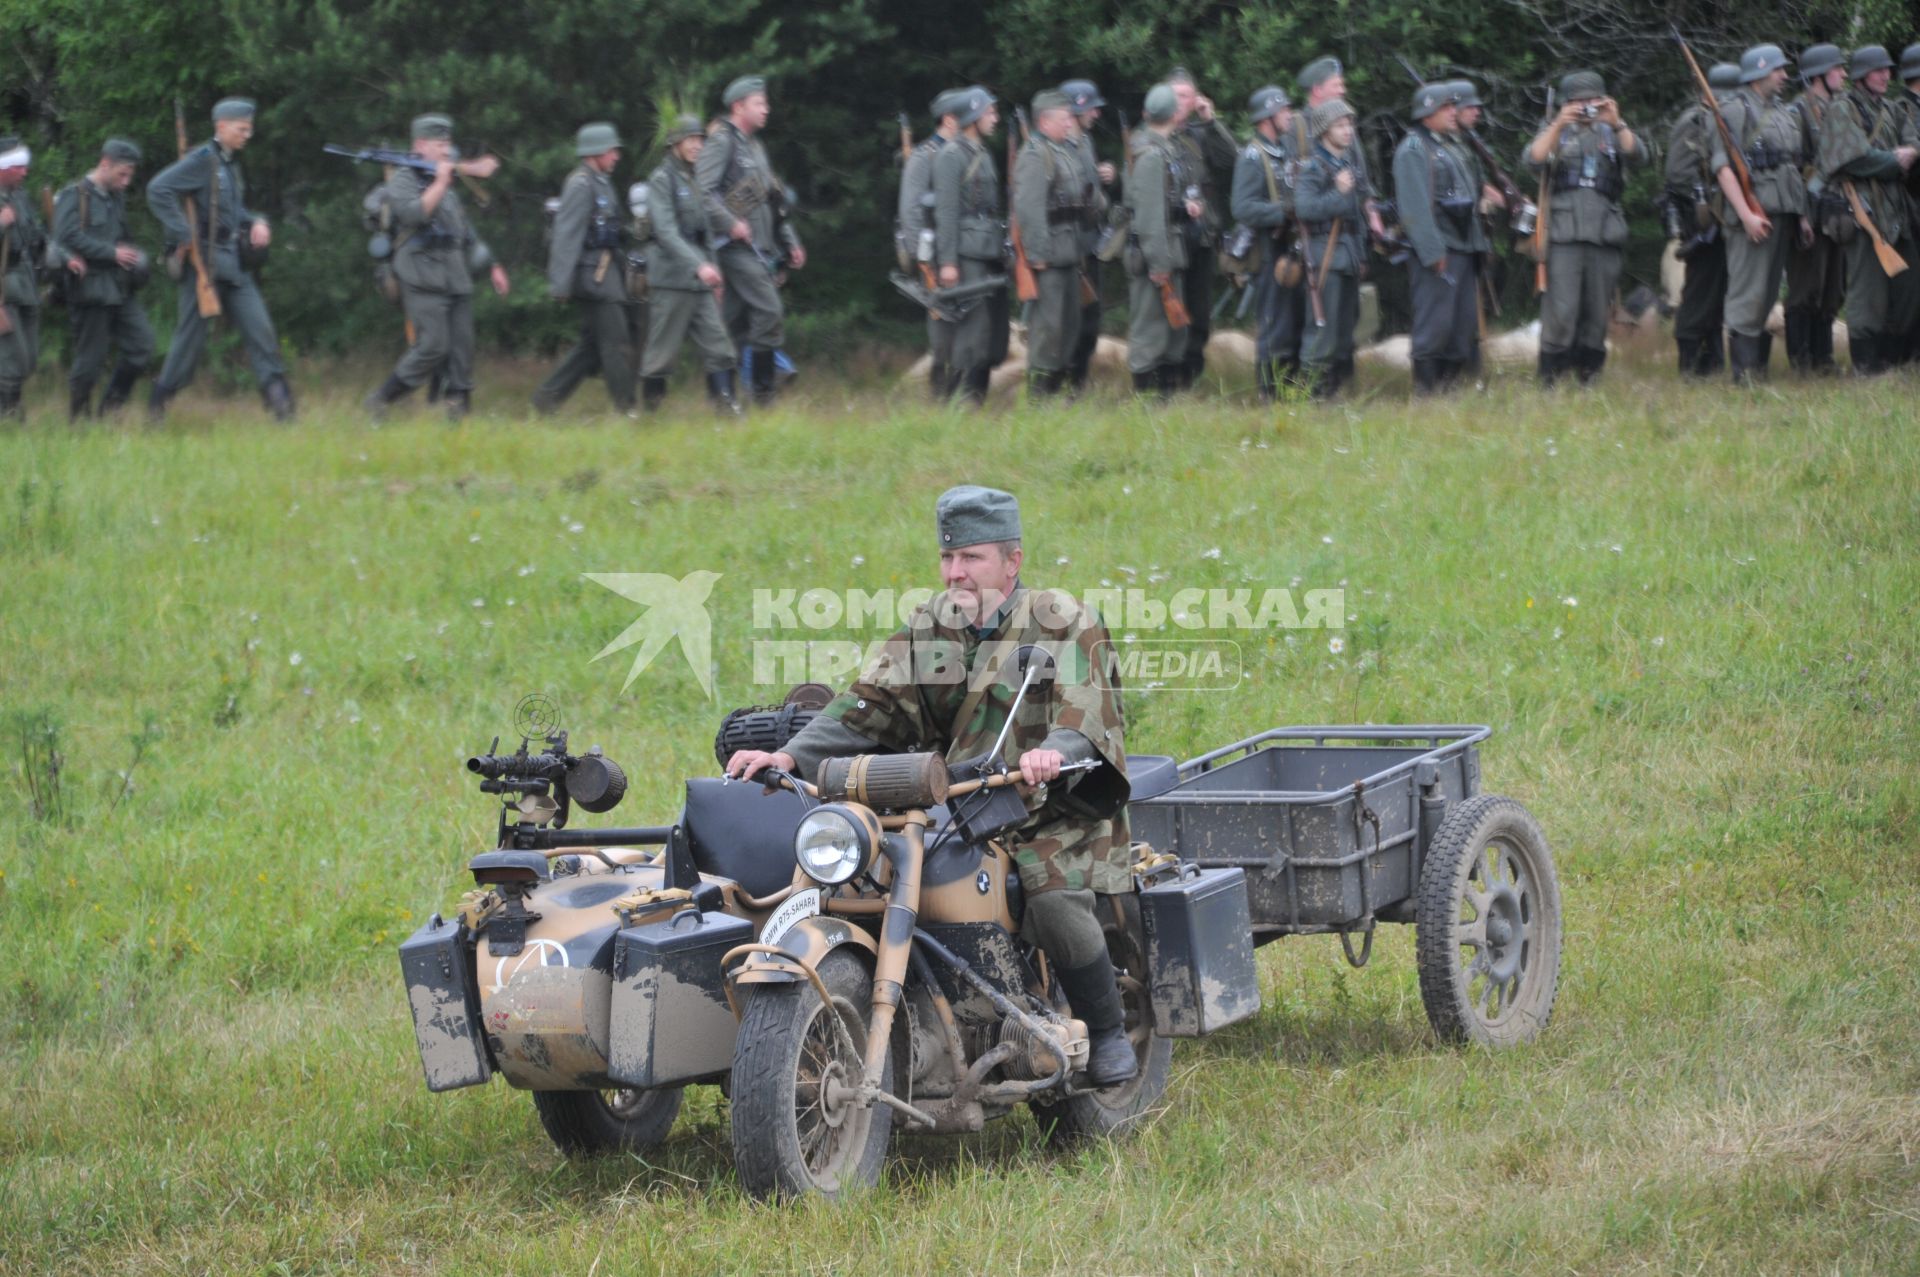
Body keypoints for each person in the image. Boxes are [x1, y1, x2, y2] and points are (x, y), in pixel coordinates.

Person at [725, 484, 1141, 1088]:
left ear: (1012, 562)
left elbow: (1088, 714)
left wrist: (1055, 752)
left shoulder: (1064, 621)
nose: (956, 573)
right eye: (948, 559)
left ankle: (1104, 1033)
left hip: (1055, 807)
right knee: (864, 875)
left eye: (971, 558)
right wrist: (789, 755)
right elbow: (867, 704)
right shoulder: (931, 626)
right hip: (962, 802)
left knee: (1052, 899)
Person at [145, 98, 292, 422]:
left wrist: (257, 221)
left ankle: (281, 405)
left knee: (262, 331)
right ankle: (158, 403)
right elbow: (158, 189)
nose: (247, 135)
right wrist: (183, 232)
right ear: (221, 126)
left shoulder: (228, 165)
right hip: (203, 267)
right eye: (242, 129)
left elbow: (235, 212)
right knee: (189, 343)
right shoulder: (202, 159)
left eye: (249, 129)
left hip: (235, 266)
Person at [362, 115, 507, 420]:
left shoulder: (444, 179)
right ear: (420, 145)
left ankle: (459, 418)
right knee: (432, 346)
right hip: (420, 273)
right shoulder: (404, 179)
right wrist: (441, 182)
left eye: (447, 143)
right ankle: (381, 400)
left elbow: (462, 228)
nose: (445, 149)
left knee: (462, 349)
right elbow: (413, 214)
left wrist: (492, 265)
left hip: (454, 274)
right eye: (439, 144)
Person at [1525, 71, 1645, 385]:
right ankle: (1551, 378)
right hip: (1564, 232)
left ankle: (1589, 376)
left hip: (1604, 231)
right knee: (1561, 310)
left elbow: (1638, 156)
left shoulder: (1613, 131)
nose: (1586, 106)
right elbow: (1533, 160)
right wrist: (1559, 123)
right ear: (1566, 103)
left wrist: (1616, 121)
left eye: (1593, 99)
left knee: (1597, 310)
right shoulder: (1556, 132)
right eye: (1579, 101)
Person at [697, 76, 805, 407]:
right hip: (732, 247)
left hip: (760, 246)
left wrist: (789, 241)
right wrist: (730, 224)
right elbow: (702, 192)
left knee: (731, 324)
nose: (766, 110)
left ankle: (722, 398)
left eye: (765, 103)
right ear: (738, 106)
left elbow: (772, 200)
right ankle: (763, 394)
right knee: (769, 310)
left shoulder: (755, 147)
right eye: (759, 103)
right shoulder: (722, 143)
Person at [1815, 45, 1920, 375]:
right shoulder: (1842, 109)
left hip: (1897, 212)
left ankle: (1893, 362)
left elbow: (1915, 144)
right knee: (1867, 293)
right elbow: (1854, 158)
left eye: (1888, 70)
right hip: (1862, 213)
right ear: (1861, 75)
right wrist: (1895, 160)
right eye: (1878, 71)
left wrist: (1910, 154)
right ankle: (1866, 367)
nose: (1885, 76)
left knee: (1909, 288)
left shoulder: (1892, 109)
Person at [1712, 45, 1807, 383]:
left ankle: (1757, 372)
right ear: (1759, 72)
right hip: (1752, 216)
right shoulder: (1734, 111)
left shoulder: (1782, 112)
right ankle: (1743, 377)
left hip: (1782, 211)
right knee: (1747, 295)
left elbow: (1792, 167)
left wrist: (1801, 216)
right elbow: (1723, 169)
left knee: (1767, 294)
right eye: (1777, 70)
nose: (1784, 76)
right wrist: (1746, 214)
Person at [637, 115, 741, 415]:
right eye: (690, 140)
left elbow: (704, 231)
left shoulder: (694, 178)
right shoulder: (662, 179)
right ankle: (651, 415)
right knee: (661, 352)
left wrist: (713, 268)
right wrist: (699, 266)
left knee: (719, 346)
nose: (697, 146)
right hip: (672, 279)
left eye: (700, 140)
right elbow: (667, 233)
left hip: (700, 280)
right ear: (675, 144)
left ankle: (726, 407)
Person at [533, 122, 635, 414]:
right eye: (612, 150)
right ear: (596, 152)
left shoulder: (601, 182)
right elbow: (567, 235)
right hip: (594, 278)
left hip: (607, 274)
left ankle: (545, 401)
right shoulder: (580, 184)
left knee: (590, 348)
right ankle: (626, 409)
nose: (616, 156)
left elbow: (612, 229)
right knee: (616, 345)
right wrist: (560, 285)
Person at [52, 138, 155, 420]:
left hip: (120, 289)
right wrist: (111, 253)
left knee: (142, 345)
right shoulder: (75, 195)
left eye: (130, 174)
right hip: (89, 288)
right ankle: (79, 420)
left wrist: (134, 257)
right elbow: (65, 237)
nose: (126, 181)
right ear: (105, 164)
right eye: (122, 173)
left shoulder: (115, 197)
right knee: (90, 361)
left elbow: (122, 237)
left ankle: (110, 408)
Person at [1393, 82, 1484, 393]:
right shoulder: (1413, 149)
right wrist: (1433, 253)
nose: (1452, 113)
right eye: (1445, 108)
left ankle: (1448, 390)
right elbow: (1414, 208)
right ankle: (1426, 392)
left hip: (1461, 246)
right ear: (1427, 113)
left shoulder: (1446, 146)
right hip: (1438, 251)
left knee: (1460, 327)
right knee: (1434, 326)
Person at [1012, 89, 1096, 399]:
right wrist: (1037, 255)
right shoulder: (1036, 154)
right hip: (1048, 259)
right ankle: (1040, 397)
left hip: (1069, 254)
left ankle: (1057, 391)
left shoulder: (1064, 151)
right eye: (1064, 118)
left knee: (1068, 328)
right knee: (1048, 331)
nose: (1069, 123)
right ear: (1045, 120)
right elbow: (1030, 209)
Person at [932, 86, 1008, 407]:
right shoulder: (951, 155)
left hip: (988, 247)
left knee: (990, 330)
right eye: (989, 112)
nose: (995, 119)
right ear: (973, 117)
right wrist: (948, 261)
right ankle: (960, 404)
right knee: (972, 330)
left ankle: (974, 400)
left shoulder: (982, 152)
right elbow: (946, 211)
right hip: (965, 252)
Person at [1666, 62, 1742, 377]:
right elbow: (1677, 175)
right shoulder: (1695, 120)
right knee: (1700, 292)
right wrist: (1717, 191)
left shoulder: (1724, 120)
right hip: (1703, 222)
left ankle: (1711, 361)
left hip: (1725, 219)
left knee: (1718, 292)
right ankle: (1690, 363)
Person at [1165, 68, 1237, 389]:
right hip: (1172, 236)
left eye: (1187, 96)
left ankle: (1189, 377)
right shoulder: (1156, 135)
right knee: (1172, 310)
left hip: (1203, 237)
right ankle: (1169, 375)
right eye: (1176, 96)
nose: (1182, 103)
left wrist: (1211, 122)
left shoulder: (1200, 135)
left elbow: (1231, 160)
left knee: (1200, 313)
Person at [1293, 100, 1368, 398]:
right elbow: (1305, 209)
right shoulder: (1312, 168)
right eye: (1340, 125)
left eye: (1349, 124)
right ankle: (1312, 397)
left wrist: (1360, 255)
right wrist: (1338, 193)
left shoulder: (1346, 165)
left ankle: (1335, 393)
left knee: (1343, 332)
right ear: (1324, 130)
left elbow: (1357, 216)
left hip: (1346, 256)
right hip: (1325, 257)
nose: (1347, 130)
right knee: (1321, 331)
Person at [1229, 85, 1300, 400]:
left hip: (1289, 249)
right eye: (1284, 110)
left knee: (1293, 322)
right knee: (1273, 325)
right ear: (1268, 116)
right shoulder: (1252, 156)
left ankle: (1292, 387)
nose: (1289, 115)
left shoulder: (1284, 151)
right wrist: (1282, 211)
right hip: (1268, 252)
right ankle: (1269, 394)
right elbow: (1242, 207)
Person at [1124, 85, 1191, 396]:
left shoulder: (1161, 148)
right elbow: (1149, 218)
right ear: (1174, 114)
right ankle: (1147, 399)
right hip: (1156, 254)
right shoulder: (1151, 155)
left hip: (1168, 249)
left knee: (1169, 330)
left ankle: (1165, 395)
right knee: (1150, 329)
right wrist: (1160, 264)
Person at [1785, 45, 1848, 375]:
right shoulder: (1799, 111)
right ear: (1820, 74)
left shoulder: (1838, 107)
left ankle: (1823, 359)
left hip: (1837, 210)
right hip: (1810, 209)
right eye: (1837, 68)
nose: (1843, 74)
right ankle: (1801, 361)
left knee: (1833, 288)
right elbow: (1793, 169)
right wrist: (1801, 215)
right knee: (1805, 288)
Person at [900, 89, 964, 399]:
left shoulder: (965, 154)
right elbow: (910, 210)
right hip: (935, 253)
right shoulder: (925, 156)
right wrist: (923, 259)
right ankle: (941, 394)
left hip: (965, 249)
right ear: (950, 120)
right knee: (943, 331)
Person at [1060, 80, 1115, 394]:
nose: (1095, 113)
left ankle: (1077, 385)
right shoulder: (1060, 149)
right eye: (1090, 107)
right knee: (1072, 321)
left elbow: (1089, 187)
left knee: (1090, 321)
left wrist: (1106, 174)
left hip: (1090, 241)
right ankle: (1063, 386)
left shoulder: (1085, 143)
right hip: (1070, 244)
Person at [0, 136, 49, 420]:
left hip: (25, 281)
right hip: (3, 285)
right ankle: (9, 416)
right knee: (10, 357)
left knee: (28, 357)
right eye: (18, 166)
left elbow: (35, 235)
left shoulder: (19, 196)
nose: (24, 171)